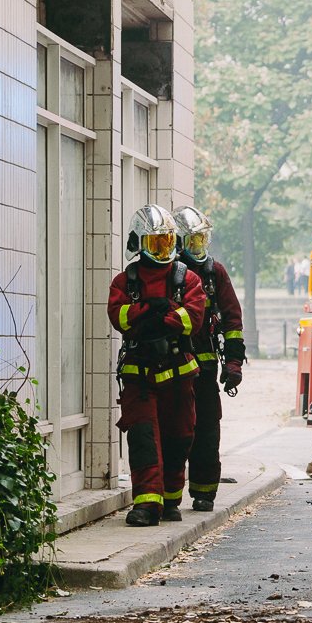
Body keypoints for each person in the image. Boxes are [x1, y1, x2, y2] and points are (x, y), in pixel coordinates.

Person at [106, 205, 208, 527]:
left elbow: (193, 318)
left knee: (179, 437)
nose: (163, 250)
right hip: (139, 375)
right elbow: (119, 317)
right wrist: (156, 313)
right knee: (143, 438)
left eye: (167, 242)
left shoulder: (187, 278)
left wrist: (150, 318)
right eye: (155, 243)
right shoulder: (125, 281)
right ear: (139, 243)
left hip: (179, 374)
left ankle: (170, 498)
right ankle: (147, 505)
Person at [169, 205, 245, 515]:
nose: (199, 247)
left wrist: (234, 363)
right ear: (178, 242)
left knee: (207, 432)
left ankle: (204, 493)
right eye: (193, 241)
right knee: (176, 433)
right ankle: (168, 498)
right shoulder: (167, 272)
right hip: (171, 369)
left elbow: (232, 319)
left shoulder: (214, 273)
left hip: (205, 369)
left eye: (202, 239)